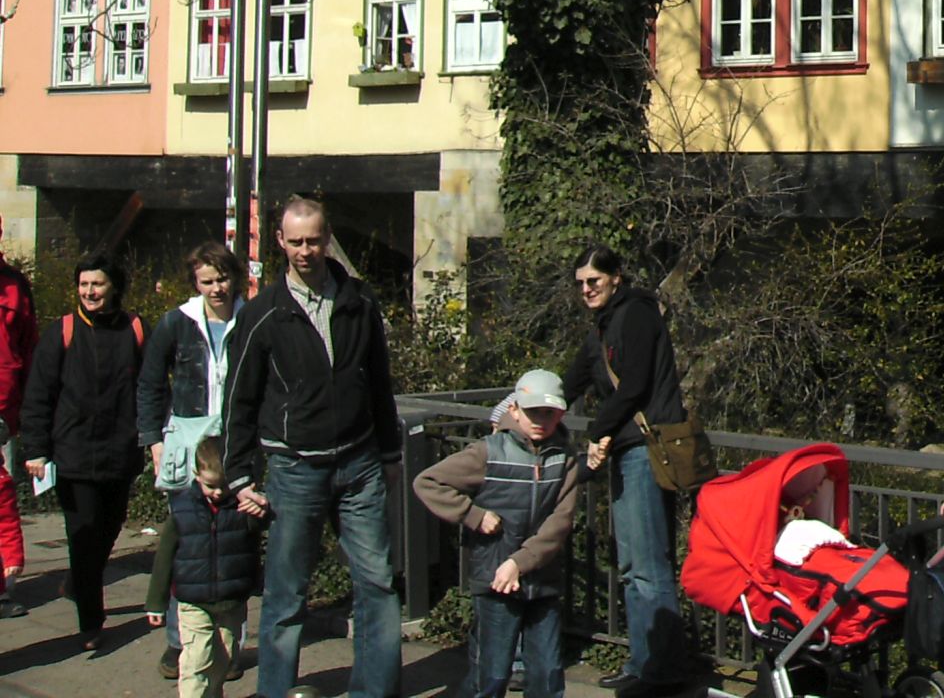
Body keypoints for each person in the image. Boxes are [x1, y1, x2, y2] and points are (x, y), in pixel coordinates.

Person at [223, 196, 403, 698]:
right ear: (280, 242)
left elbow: (379, 382)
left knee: (378, 583)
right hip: (295, 468)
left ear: (327, 239)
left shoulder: (359, 301)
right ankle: (275, 690)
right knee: (286, 594)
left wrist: (390, 453)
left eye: (314, 240)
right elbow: (239, 398)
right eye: (296, 241)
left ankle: (375, 690)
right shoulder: (263, 314)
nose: (305, 251)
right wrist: (239, 475)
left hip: (359, 463)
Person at [561, 245, 696, 697]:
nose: (586, 289)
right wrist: (523, 408)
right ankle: (644, 663)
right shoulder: (604, 325)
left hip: (645, 449)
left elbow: (635, 383)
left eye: (594, 281)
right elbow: (571, 380)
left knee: (648, 567)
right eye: (581, 283)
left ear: (616, 277)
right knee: (634, 565)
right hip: (627, 450)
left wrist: (598, 430)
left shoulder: (636, 314)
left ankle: (662, 672)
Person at [414, 369, 580, 698]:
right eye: (533, 412)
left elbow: (560, 520)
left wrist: (520, 562)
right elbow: (428, 482)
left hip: (542, 579)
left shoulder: (565, 458)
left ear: (560, 414)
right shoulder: (488, 452)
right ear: (514, 410)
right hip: (495, 578)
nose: (541, 421)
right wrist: (473, 515)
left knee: (548, 674)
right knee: (492, 674)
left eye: (549, 413)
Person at [18, 252, 145, 649]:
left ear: (114, 287)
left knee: (109, 528)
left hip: (119, 451)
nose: (89, 291)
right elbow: (38, 395)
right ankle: (91, 623)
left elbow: (151, 387)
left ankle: (77, 581)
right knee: (84, 534)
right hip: (73, 453)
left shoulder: (136, 329)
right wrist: (36, 449)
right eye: (84, 284)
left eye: (97, 284)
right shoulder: (63, 331)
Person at [139, 241, 248, 679]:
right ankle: (179, 643)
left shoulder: (251, 320)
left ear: (234, 277)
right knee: (187, 543)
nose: (216, 288)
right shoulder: (176, 323)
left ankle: (227, 645)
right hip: (188, 442)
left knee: (232, 542)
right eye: (207, 281)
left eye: (222, 278)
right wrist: (154, 441)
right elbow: (150, 384)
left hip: (234, 444)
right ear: (195, 283)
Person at [146, 436, 262, 698]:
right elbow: (164, 559)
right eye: (211, 486)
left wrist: (258, 512)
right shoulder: (182, 510)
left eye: (224, 486)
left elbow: (253, 544)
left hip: (231, 600)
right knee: (197, 660)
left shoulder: (242, 506)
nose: (218, 492)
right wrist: (156, 602)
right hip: (193, 600)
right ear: (196, 475)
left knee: (224, 658)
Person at [0, 214, 35, 620]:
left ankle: (4, 586)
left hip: (3, 412)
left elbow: (27, 347)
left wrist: (25, 410)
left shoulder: (14, 286)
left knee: (2, 497)